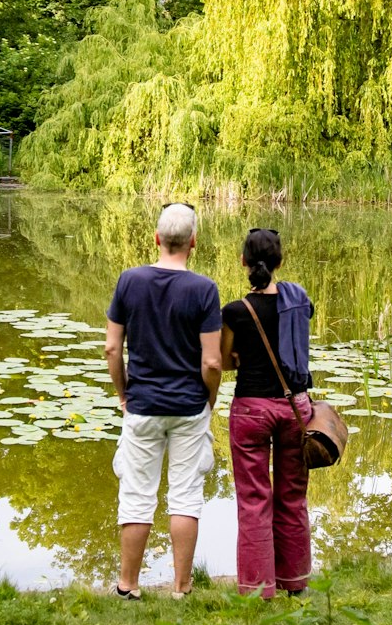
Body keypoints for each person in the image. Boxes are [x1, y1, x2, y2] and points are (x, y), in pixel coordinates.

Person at [104, 202, 223, 600]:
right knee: (185, 495)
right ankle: (181, 587)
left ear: (156, 239)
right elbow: (212, 361)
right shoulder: (204, 289)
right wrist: (210, 400)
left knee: (137, 495)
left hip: (142, 405)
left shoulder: (129, 281)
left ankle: (128, 585)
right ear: (193, 243)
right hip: (189, 407)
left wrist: (124, 395)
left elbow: (111, 349)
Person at [219, 227, 315, 599]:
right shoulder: (298, 301)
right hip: (295, 407)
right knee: (292, 496)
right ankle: (295, 583)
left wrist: (242, 355)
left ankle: (259, 588)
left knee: (254, 499)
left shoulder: (235, 311)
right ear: (280, 262)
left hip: (251, 410)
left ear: (243, 261)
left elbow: (225, 362)